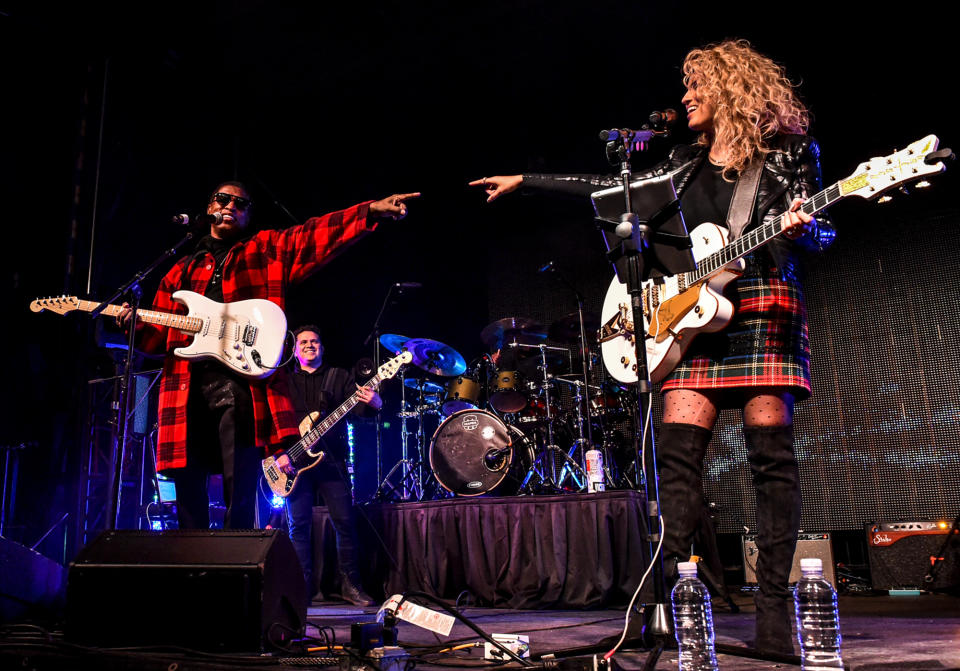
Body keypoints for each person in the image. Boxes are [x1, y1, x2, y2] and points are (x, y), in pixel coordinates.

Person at [469, 40, 834, 654]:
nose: (686, 96)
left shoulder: (787, 153)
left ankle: (776, 612)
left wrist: (803, 225)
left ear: (732, 87)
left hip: (763, 303)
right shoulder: (682, 161)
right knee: (677, 466)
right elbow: (607, 189)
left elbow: (823, 233)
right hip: (692, 315)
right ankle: (671, 601)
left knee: (770, 462)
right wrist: (527, 180)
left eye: (698, 85)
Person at [121, 181, 418, 531]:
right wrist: (132, 324)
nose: (231, 205)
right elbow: (155, 341)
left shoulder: (265, 250)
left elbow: (313, 235)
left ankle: (234, 570)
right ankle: (193, 565)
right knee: (187, 482)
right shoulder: (179, 272)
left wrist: (368, 211)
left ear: (248, 215)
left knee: (239, 487)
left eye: (241, 203)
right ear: (210, 207)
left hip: (242, 387)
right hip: (185, 387)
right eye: (223, 199)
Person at [275, 325, 381, 606]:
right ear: (295, 350)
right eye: (304, 342)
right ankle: (301, 588)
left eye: (315, 341)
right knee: (298, 526)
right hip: (293, 465)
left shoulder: (339, 377)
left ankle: (351, 585)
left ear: (322, 347)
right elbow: (274, 422)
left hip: (332, 461)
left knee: (345, 522)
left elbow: (361, 410)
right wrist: (279, 454)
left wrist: (376, 401)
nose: (310, 345)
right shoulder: (283, 382)